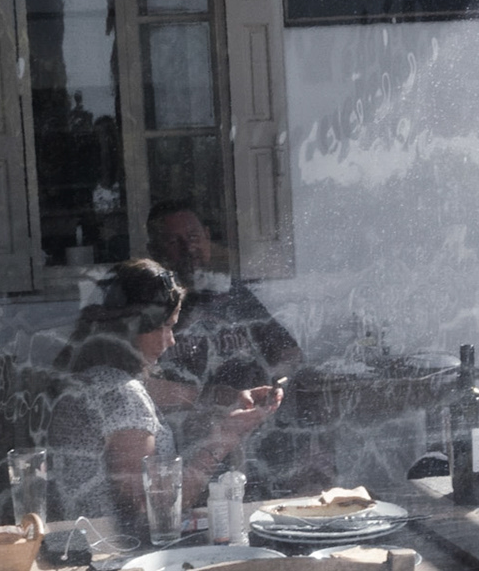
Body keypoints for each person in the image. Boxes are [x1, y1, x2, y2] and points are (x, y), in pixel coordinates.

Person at [46, 259, 279, 530]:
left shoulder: (96, 377)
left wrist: (225, 397)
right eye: (164, 327)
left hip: (89, 543)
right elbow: (157, 507)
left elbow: (153, 390)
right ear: (133, 326)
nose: (171, 340)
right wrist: (226, 436)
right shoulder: (123, 396)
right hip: (115, 549)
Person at [144, 201, 302, 411]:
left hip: (251, 416)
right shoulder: (148, 305)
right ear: (155, 251)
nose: (188, 248)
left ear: (207, 236)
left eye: (193, 237)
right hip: (188, 424)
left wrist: (276, 383)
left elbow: (288, 351)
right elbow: (137, 385)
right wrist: (211, 397)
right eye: (174, 242)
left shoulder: (232, 292)